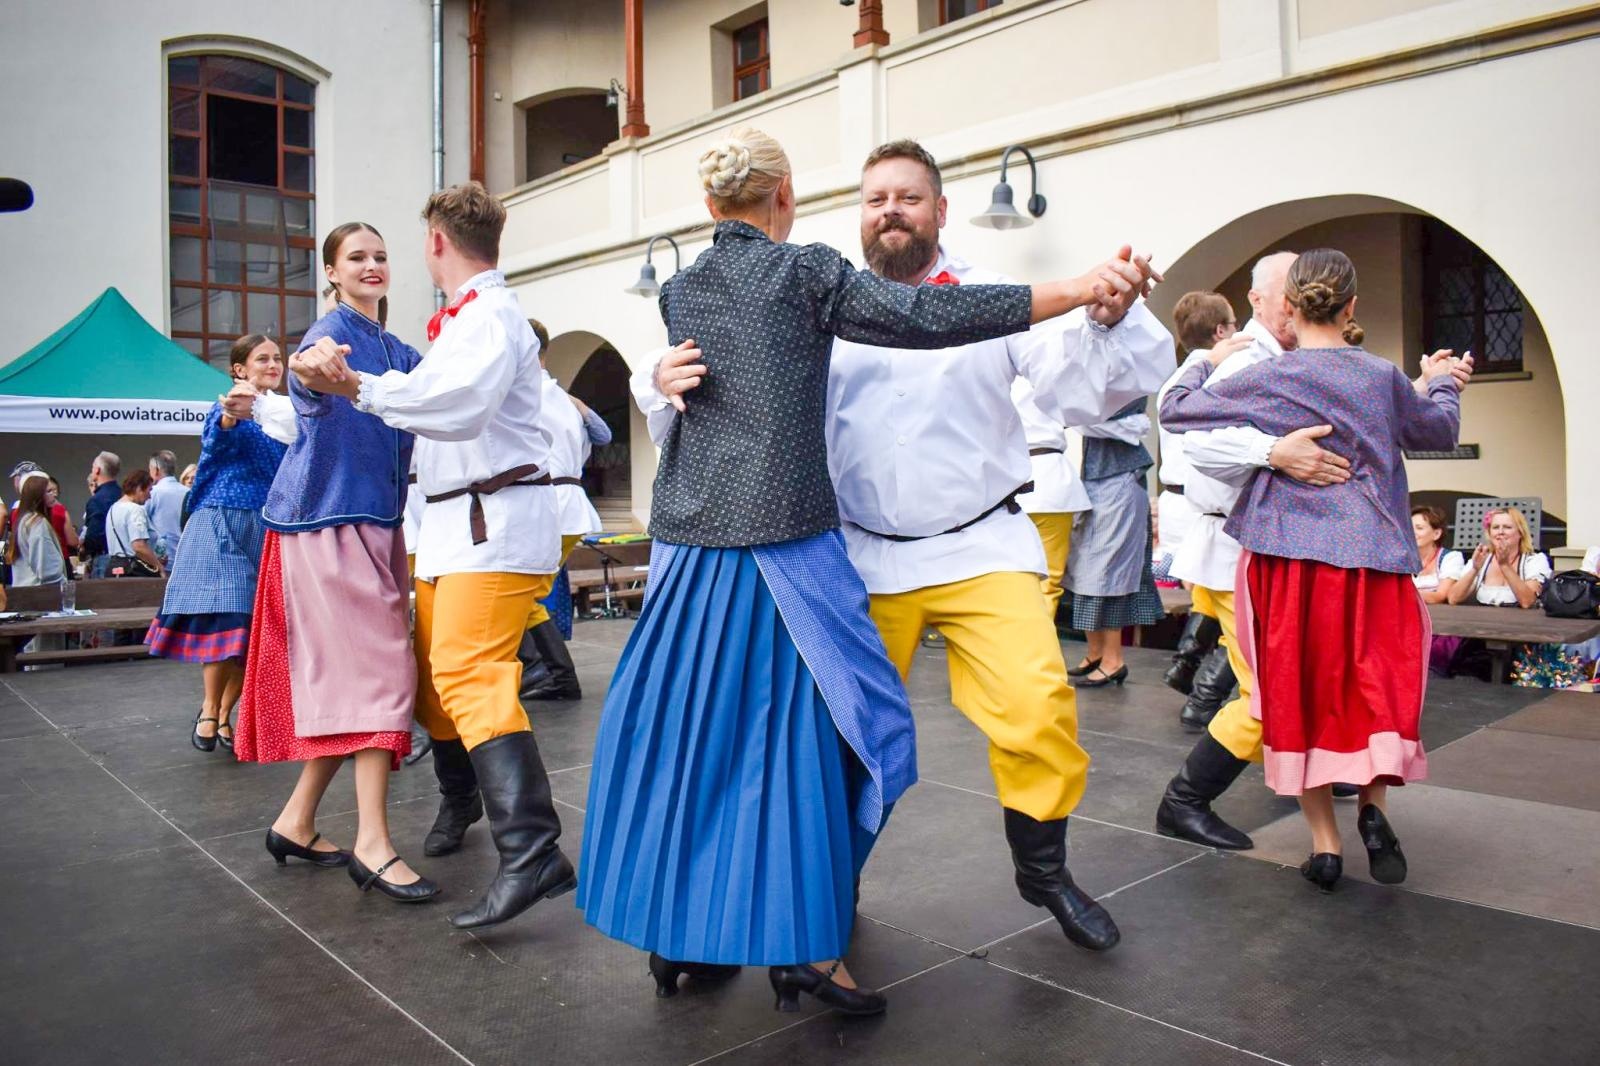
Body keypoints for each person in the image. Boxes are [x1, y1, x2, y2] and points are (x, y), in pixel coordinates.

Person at [585, 127, 1125, 1015]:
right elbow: (925, 320)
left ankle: (706, 928)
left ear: (713, 206)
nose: (889, 212)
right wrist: (1069, 286)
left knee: (705, 739)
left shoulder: (682, 288)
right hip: (802, 558)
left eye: (905, 198)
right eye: (877, 198)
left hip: (705, 558)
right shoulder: (811, 277)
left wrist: (654, 372)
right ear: (789, 198)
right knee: (831, 745)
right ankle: (802, 935)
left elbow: (711, 395)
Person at [291, 185, 572, 930]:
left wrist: (354, 385)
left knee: (469, 673)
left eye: (394, 249)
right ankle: (462, 800)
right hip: (451, 528)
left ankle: (532, 849)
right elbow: (423, 391)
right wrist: (342, 380)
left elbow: (455, 407)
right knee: (432, 683)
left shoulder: (488, 318)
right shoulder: (459, 326)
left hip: (492, 523)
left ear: (436, 244)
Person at [1161, 247, 1471, 891]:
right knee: (1370, 691)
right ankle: (1374, 812)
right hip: (1373, 556)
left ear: (1292, 307)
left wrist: (1204, 360)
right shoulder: (1379, 375)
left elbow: (1177, 410)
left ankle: (1325, 846)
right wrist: (1442, 381)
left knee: (1296, 692)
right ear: (1352, 306)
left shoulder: (1275, 376)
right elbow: (1435, 428)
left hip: (1287, 558)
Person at [235, 221, 436, 902]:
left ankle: (296, 821)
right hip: (324, 523)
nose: (373, 264)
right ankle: (373, 845)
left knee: (360, 676)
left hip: (373, 523)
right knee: (381, 670)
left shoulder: (400, 348)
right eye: (357, 257)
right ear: (332, 272)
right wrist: (305, 368)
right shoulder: (328, 336)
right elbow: (310, 371)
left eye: (381, 255)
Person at [148, 334, 295, 753]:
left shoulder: (283, 414)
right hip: (221, 522)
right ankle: (210, 708)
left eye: (277, 358)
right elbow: (219, 433)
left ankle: (226, 713)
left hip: (268, 527)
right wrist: (233, 409)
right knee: (229, 615)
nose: (273, 364)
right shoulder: (229, 405)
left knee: (253, 632)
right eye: (262, 358)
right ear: (239, 369)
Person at [512, 316, 604, 704]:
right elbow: (604, 434)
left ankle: (552, 674)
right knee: (530, 594)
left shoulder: (524, 392)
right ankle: (551, 674)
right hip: (571, 503)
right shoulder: (562, 397)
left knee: (522, 595)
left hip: (546, 504)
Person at [1158, 292, 1237, 696]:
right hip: (1202, 500)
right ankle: (1206, 688)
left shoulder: (1174, 379)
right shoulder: (1215, 376)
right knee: (1232, 600)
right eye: (1235, 325)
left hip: (1176, 500)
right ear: (1220, 331)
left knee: (1206, 590)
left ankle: (1187, 663)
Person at [1064, 396, 1164, 687]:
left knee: (1107, 571)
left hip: (1117, 476)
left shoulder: (1125, 379)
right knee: (1082, 569)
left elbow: (1093, 417)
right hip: (1092, 478)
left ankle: (1113, 658)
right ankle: (1096, 653)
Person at [1446, 508, 1550, 608]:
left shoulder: (1533, 561)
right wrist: (1474, 569)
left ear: (1520, 533)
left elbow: (1528, 602)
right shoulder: (1482, 559)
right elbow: (1453, 599)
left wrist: (1505, 565)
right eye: (1495, 527)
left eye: (1507, 527)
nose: (1500, 532)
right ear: (1490, 533)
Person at [104, 470, 163, 578]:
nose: (149, 496)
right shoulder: (135, 510)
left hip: (114, 566)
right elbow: (139, 546)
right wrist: (159, 566)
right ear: (139, 488)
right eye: (149, 490)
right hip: (133, 570)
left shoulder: (113, 508)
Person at [80, 451, 122, 577]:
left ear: (97, 470)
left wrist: (85, 548)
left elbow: (94, 534)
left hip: (103, 557)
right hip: (124, 557)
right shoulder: (123, 494)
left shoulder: (97, 500)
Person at [145, 450, 188, 565]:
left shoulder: (152, 493)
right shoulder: (188, 493)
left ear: (156, 470)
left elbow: (142, 522)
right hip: (185, 559)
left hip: (161, 560)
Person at [44, 477, 79, 564]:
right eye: (50, 491)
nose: (54, 495)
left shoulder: (26, 515)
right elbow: (73, 541)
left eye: (56, 491)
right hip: (61, 558)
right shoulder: (61, 511)